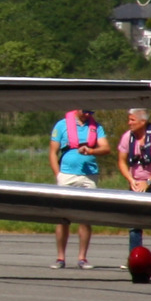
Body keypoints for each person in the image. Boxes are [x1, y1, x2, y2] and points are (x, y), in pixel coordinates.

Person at [49, 108, 113, 269]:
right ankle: (60, 258)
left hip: (89, 176)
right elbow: (52, 152)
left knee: (85, 217)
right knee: (63, 217)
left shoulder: (96, 127)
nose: (88, 115)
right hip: (67, 175)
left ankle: (82, 257)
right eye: (85, 111)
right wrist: (58, 175)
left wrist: (91, 150)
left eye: (91, 112)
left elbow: (106, 148)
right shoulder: (61, 125)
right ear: (77, 109)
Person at [117, 108, 151, 261]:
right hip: (135, 186)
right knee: (134, 224)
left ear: (143, 121)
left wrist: (148, 182)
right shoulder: (127, 137)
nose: (129, 123)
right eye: (129, 119)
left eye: (132, 120)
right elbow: (121, 160)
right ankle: (134, 258)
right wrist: (131, 179)